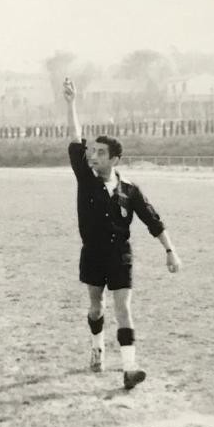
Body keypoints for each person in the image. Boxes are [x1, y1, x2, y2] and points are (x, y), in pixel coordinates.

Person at [63, 79, 182, 390]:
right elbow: (75, 138)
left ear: (114, 159)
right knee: (95, 307)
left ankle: (130, 369)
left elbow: (152, 220)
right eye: (92, 152)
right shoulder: (86, 180)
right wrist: (71, 103)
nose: (93, 157)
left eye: (100, 153)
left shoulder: (130, 190)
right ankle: (97, 348)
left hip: (120, 255)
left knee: (123, 307)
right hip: (92, 253)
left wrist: (170, 251)